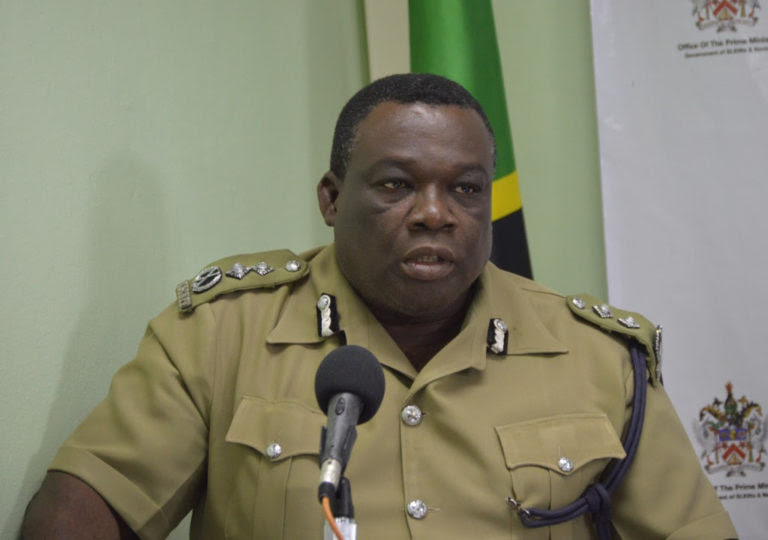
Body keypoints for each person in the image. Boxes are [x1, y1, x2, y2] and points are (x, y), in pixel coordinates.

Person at [23, 74, 736, 539]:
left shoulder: (597, 357)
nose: (435, 213)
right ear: (332, 199)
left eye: (465, 189)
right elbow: (87, 507)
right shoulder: (220, 333)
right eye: (397, 185)